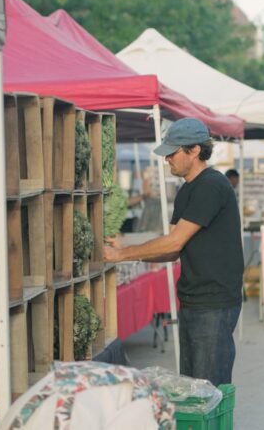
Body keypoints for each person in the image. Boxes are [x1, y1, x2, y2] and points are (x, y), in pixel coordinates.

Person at [103, 118, 243, 385]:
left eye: (172, 152)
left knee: (208, 388)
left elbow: (174, 242)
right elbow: (171, 251)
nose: (167, 158)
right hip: (193, 299)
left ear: (195, 150)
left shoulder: (212, 185)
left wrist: (123, 254)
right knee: (193, 386)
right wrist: (128, 250)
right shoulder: (187, 189)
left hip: (214, 302)